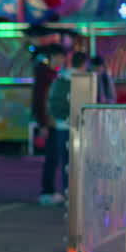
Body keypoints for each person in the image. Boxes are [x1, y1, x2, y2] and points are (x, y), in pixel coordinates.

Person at [43, 52, 88, 205]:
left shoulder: (60, 78)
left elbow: (51, 100)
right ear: (83, 63)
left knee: (66, 163)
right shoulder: (84, 79)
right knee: (78, 162)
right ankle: (76, 195)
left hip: (61, 125)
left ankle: (69, 193)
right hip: (79, 126)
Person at [34, 44, 66, 192]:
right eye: (59, 57)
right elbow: (38, 100)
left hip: (56, 121)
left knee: (54, 157)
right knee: (51, 157)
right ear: (52, 57)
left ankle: (49, 190)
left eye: (63, 58)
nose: (62, 60)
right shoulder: (44, 75)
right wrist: (42, 124)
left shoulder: (55, 74)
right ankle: (47, 191)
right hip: (49, 121)